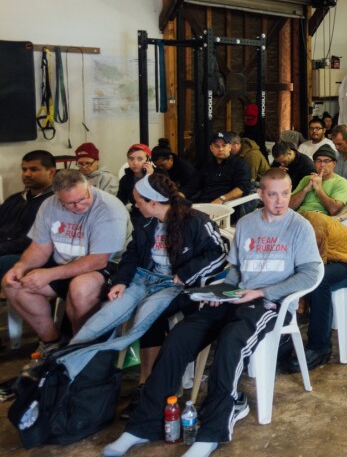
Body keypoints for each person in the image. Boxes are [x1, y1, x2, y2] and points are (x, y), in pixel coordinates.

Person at [103, 168, 322, 457]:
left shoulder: (299, 227)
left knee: (231, 344)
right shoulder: (246, 224)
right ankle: (142, 425)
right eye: (272, 194)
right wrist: (222, 292)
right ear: (260, 194)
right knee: (180, 337)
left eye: (285, 193)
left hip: (270, 305)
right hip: (236, 297)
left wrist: (262, 292)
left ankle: (213, 429)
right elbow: (234, 270)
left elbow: (311, 273)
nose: (280, 200)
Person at [69, 173, 228, 419]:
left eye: (138, 201)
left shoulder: (195, 221)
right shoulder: (144, 222)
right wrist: (120, 282)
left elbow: (218, 252)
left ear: (154, 202)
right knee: (107, 314)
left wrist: (186, 273)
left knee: (148, 316)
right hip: (144, 279)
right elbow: (132, 254)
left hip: (176, 284)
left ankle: (146, 385)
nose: (135, 205)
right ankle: (70, 368)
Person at [2, 169, 130, 357]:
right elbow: (40, 248)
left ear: (89, 186)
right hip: (64, 262)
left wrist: (50, 274)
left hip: (106, 266)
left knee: (80, 288)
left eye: (82, 198)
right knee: (13, 284)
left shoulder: (109, 208)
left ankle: (82, 350)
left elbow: (98, 260)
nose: (78, 206)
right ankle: (52, 342)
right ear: (58, 197)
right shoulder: (49, 205)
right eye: (69, 203)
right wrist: (21, 266)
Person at [281, 211, 347, 373]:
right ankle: (283, 342)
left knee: (319, 282)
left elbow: (315, 268)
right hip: (332, 260)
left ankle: (320, 347)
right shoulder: (283, 226)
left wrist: (301, 299)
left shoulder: (312, 226)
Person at [0, 150, 57, 279]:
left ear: (51, 172)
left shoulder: (55, 203)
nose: (27, 174)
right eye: (24, 169)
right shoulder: (15, 198)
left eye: (34, 169)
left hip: (28, 255)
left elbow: (31, 241)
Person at [193, 132, 254, 205]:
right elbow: (193, 185)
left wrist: (221, 199)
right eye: (216, 146)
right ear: (211, 148)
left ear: (230, 147)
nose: (220, 149)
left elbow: (242, 188)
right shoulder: (207, 166)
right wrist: (180, 195)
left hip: (226, 207)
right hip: (203, 204)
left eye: (224, 146)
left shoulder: (240, 164)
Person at [289, 144, 347, 216]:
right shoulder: (307, 179)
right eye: (318, 161)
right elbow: (289, 206)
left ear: (334, 164)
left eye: (326, 161)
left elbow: (334, 210)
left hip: (321, 218)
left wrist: (318, 188)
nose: (322, 164)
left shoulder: (341, 182)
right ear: (314, 163)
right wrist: (305, 189)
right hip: (300, 216)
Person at [117, 143, 155, 219]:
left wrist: (149, 177)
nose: (135, 163)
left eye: (140, 159)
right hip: (137, 214)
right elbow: (120, 201)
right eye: (131, 159)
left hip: (156, 213)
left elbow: (157, 198)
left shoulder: (159, 174)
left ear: (148, 160)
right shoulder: (126, 179)